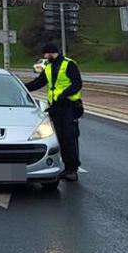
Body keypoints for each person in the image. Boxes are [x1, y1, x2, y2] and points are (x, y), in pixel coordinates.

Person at [26, 43, 84, 181]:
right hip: (56, 108)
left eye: (46, 54)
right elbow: (38, 83)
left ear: (52, 53)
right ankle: (67, 168)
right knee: (61, 139)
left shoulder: (69, 65)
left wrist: (64, 94)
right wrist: (21, 88)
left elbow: (77, 83)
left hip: (69, 106)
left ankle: (73, 169)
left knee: (70, 137)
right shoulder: (49, 68)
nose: (45, 57)